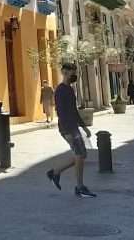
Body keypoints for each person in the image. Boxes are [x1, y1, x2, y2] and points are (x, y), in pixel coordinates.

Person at [46, 63, 96, 198]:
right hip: (68, 127)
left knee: (81, 154)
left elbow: (74, 110)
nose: (74, 74)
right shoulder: (61, 90)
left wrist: (84, 127)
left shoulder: (70, 89)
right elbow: (61, 112)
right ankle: (79, 187)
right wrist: (69, 131)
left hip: (73, 127)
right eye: (71, 72)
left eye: (75, 71)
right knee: (80, 154)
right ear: (64, 72)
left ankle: (55, 172)